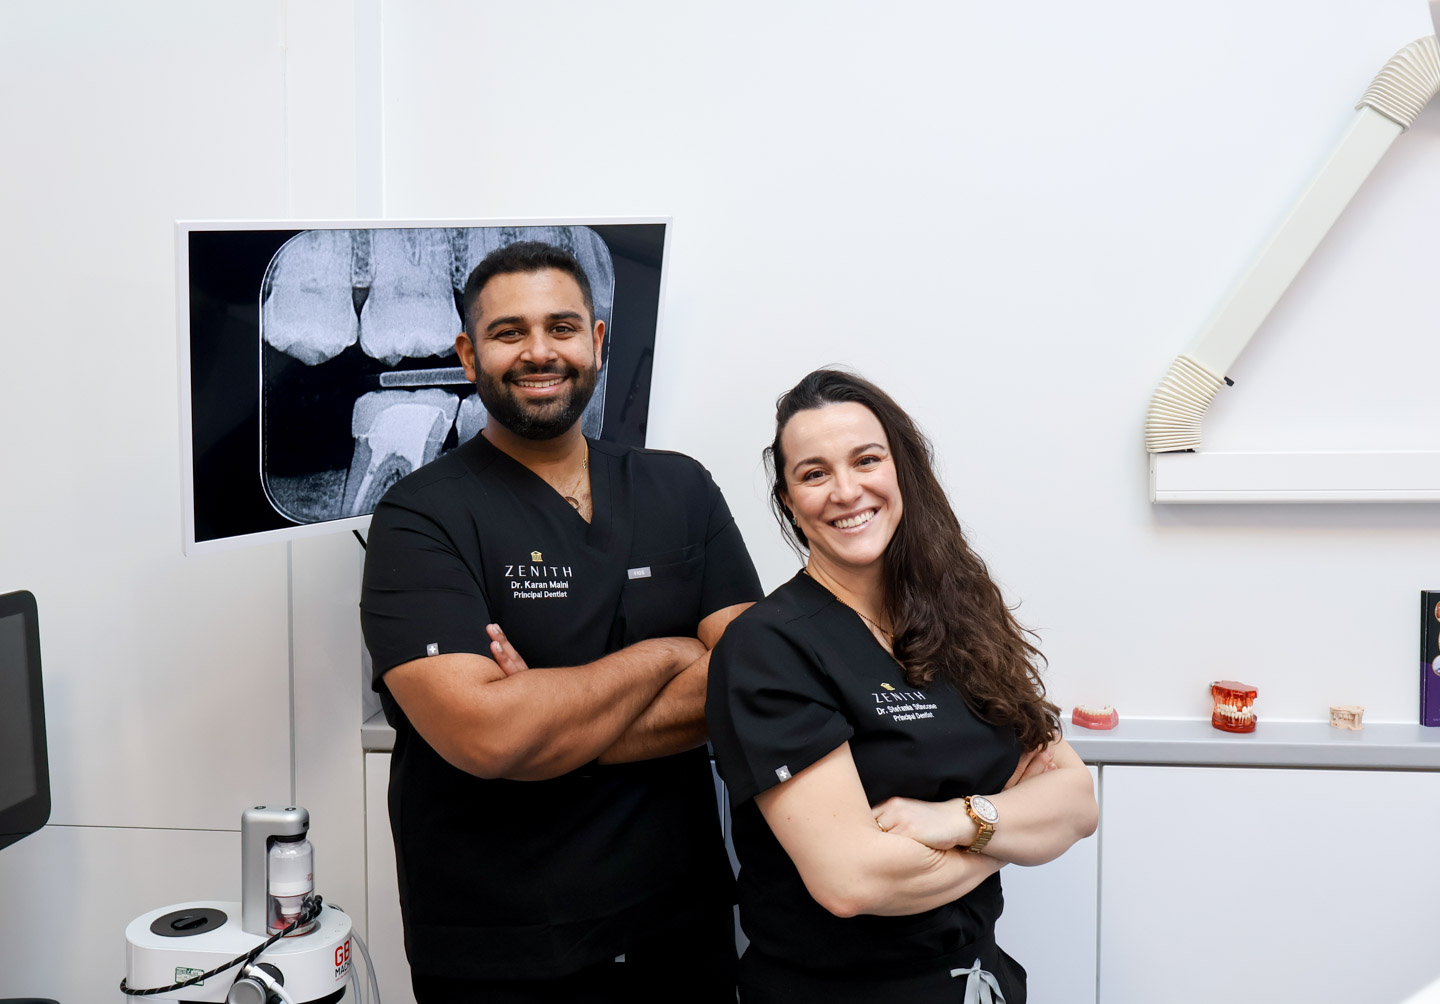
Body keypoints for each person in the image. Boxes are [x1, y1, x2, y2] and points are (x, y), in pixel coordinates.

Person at [360, 241, 762, 1003]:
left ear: (598, 342)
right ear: (468, 354)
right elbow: (488, 735)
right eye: (509, 332)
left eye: (562, 327)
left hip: (678, 925)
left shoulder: (679, 488)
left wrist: (544, 723)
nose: (539, 351)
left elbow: (754, 683)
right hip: (501, 940)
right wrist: (667, 655)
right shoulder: (418, 517)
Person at [707, 369, 1098, 1003]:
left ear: (902, 471)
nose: (846, 491)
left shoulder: (960, 613)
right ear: (789, 501)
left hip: (979, 981)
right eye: (814, 473)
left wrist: (953, 820)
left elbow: (1077, 802)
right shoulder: (768, 647)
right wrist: (1007, 835)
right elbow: (851, 881)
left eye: (867, 460)